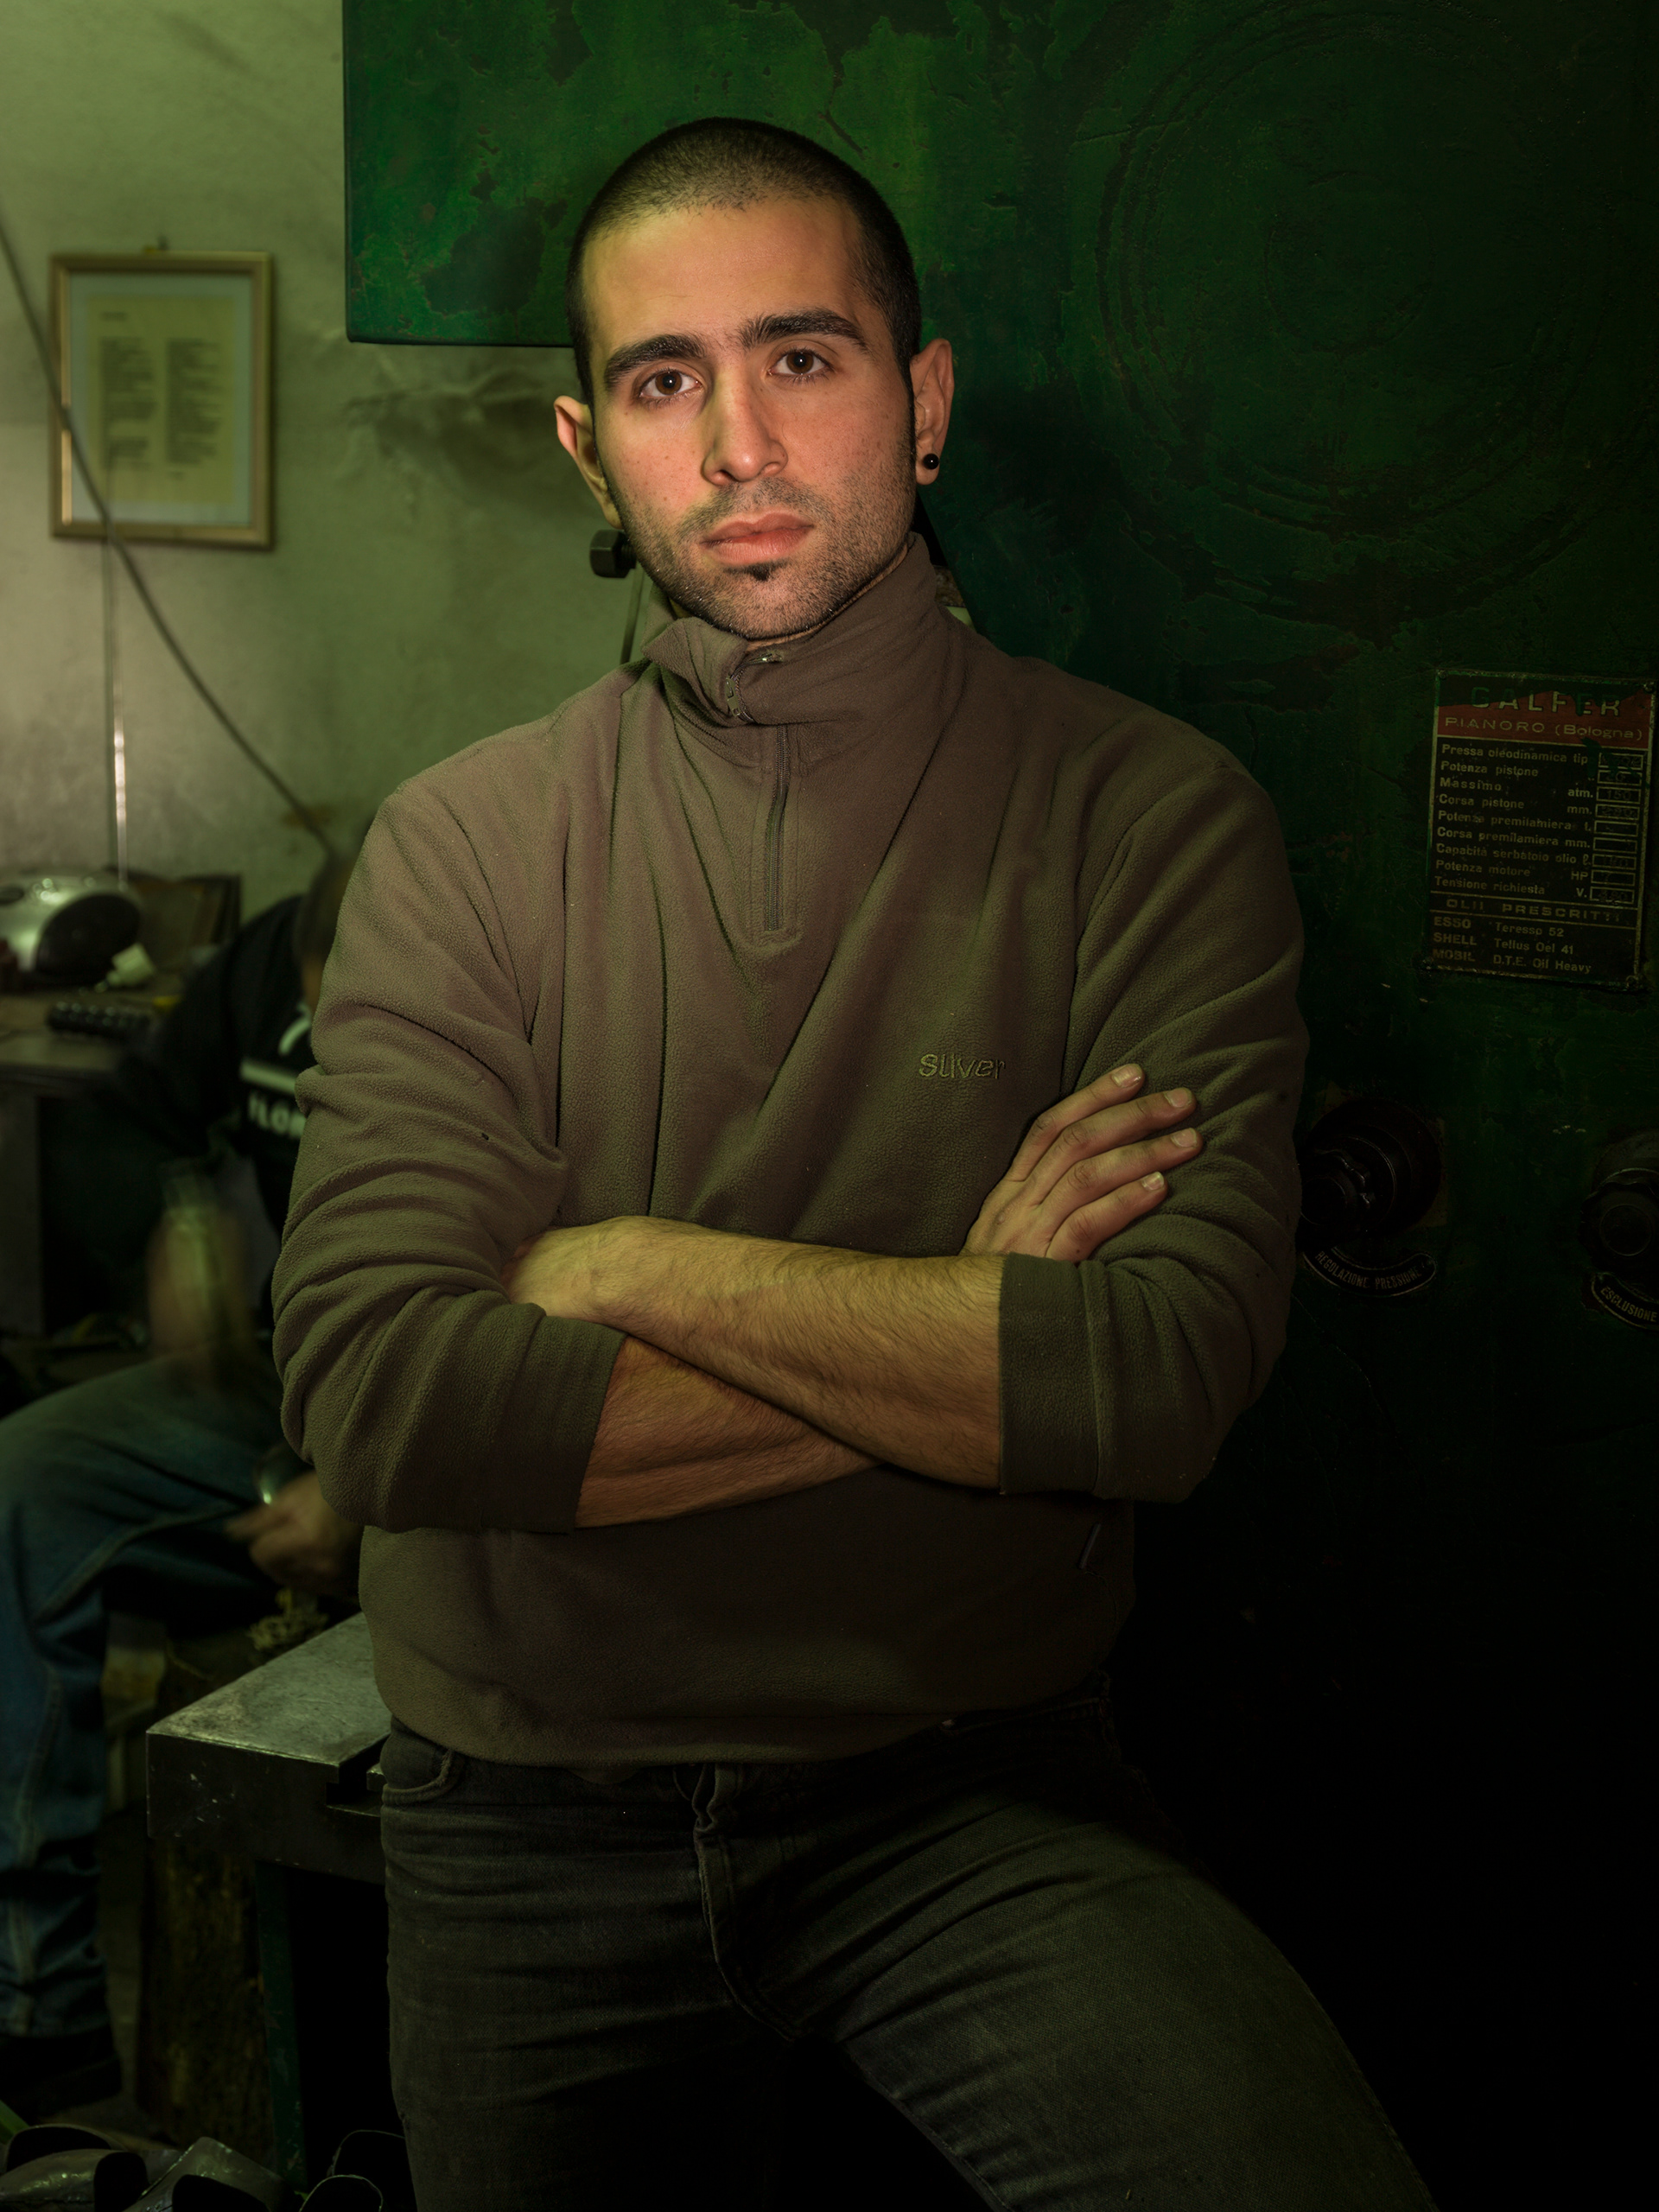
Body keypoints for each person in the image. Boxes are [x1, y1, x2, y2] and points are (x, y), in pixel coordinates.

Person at [273, 120, 1437, 2211]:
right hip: (518, 1796)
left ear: (925, 399)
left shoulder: (1146, 814)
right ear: (588, 450)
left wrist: (620, 1259)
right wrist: (969, 1322)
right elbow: (386, 1398)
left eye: (800, 357)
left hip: (967, 1773)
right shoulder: (464, 847)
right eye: (665, 380)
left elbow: (1156, 1377)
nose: (738, 443)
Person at [0, 849, 362, 2121]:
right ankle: (37, 2015)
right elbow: (130, 1115)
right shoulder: (262, 965)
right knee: (24, 1483)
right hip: (286, 1385)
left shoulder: (526, 1005)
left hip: (449, 1425)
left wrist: (367, 1494)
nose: (324, 1047)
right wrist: (177, 1220)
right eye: (314, 1017)